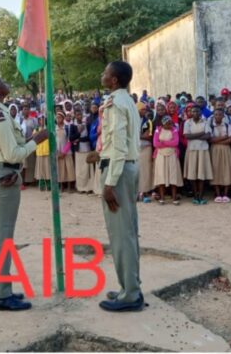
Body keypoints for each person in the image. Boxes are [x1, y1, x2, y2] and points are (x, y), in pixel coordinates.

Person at [0, 75, 48, 311]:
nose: (7, 83)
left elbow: (8, 148)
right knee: (3, 237)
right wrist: (37, 140)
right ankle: (2, 295)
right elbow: (14, 153)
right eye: (2, 81)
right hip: (2, 176)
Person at [97, 61, 143, 312]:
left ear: (114, 80)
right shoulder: (128, 101)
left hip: (119, 171)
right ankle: (130, 286)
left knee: (121, 234)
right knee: (129, 230)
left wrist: (109, 183)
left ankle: (131, 295)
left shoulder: (114, 103)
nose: (102, 75)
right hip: (128, 167)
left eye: (106, 72)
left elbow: (117, 145)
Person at [183, 104, 213, 205]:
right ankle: (195, 195)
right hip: (191, 150)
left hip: (202, 150)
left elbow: (208, 136)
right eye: (193, 111)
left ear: (201, 113)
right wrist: (201, 133)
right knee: (192, 174)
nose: (195, 113)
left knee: (201, 174)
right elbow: (187, 136)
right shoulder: (188, 122)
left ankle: (200, 195)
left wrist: (194, 136)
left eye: (197, 111)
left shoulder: (205, 121)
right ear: (191, 113)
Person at [209, 108, 231, 203]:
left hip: (226, 150)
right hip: (215, 150)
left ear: (223, 116)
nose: (218, 116)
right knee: (215, 170)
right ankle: (217, 194)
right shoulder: (211, 126)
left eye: (220, 114)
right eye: (216, 114)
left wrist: (218, 141)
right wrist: (224, 137)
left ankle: (225, 194)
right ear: (213, 116)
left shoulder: (227, 125)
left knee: (227, 170)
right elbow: (210, 140)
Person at [152, 116, 182, 205]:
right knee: (161, 176)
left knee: (173, 175)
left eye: (170, 123)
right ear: (163, 123)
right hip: (160, 155)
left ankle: (174, 198)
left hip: (172, 154)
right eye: (167, 123)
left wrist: (163, 142)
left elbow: (176, 142)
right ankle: (162, 198)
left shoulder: (174, 130)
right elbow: (155, 143)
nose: (169, 125)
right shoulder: (158, 130)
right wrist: (169, 143)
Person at [74, 109, 95, 194]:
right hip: (78, 151)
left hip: (87, 150)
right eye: (77, 115)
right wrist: (79, 133)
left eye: (80, 115)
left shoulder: (87, 125)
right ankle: (80, 187)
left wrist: (79, 139)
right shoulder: (73, 126)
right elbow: (71, 138)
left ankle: (88, 188)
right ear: (75, 116)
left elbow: (89, 137)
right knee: (80, 171)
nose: (79, 116)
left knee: (87, 171)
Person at [137, 102, 154, 200]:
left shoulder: (148, 122)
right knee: (137, 170)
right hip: (136, 149)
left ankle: (146, 190)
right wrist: (141, 136)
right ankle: (138, 191)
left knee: (146, 170)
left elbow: (149, 136)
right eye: (142, 109)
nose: (144, 111)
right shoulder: (132, 121)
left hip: (146, 149)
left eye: (145, 109)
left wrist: (137, 136)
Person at [55, 111, 76, 192]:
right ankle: (62, 186)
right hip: (58, 151)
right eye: (57, 118)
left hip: (67, 151)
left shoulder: (67, 127)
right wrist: (58, 152)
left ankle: (70, 187)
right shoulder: (55, 128)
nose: (58, 119)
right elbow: (54, 140)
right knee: (60, 170)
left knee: (69, 169)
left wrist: (64, 152)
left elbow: (69, 140)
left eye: (59, 117)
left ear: (63, 118)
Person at [34, 116, 51, 191]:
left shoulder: (49, 128)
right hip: (39, 152)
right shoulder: (36, 129)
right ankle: (41, 184)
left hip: (47, 151)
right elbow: (34, 138)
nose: (42, 121)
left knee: (47, 169)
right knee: (40, 170)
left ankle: (49, 184)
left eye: (43, 119)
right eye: (40, 120)